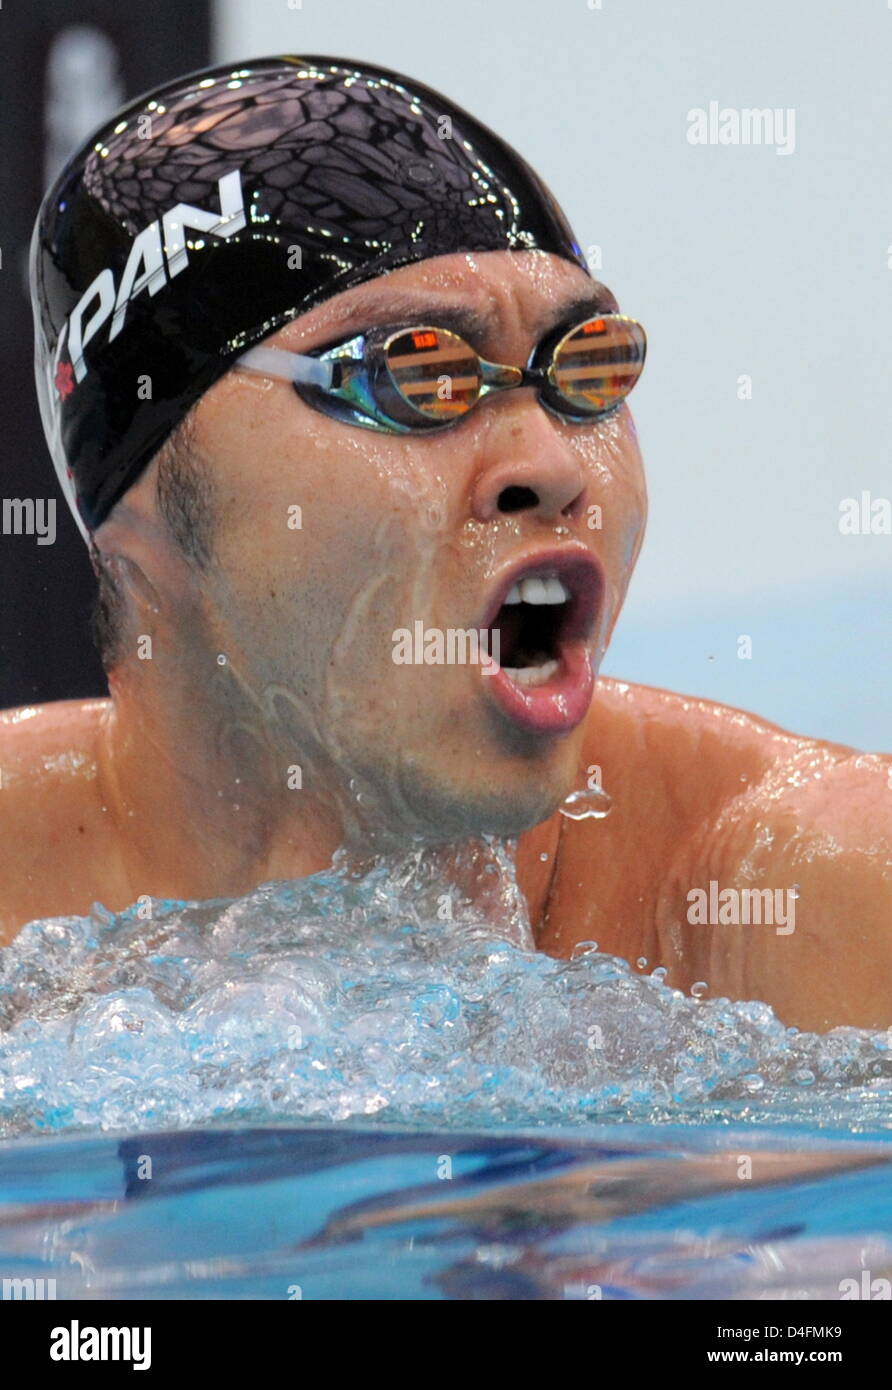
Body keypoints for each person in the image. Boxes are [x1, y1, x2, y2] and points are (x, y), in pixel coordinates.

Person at [4, 55, 889, 1033]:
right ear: (144, 520)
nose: (550, 464)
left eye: (583, 370)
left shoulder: (823, 897)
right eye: (412, 375)